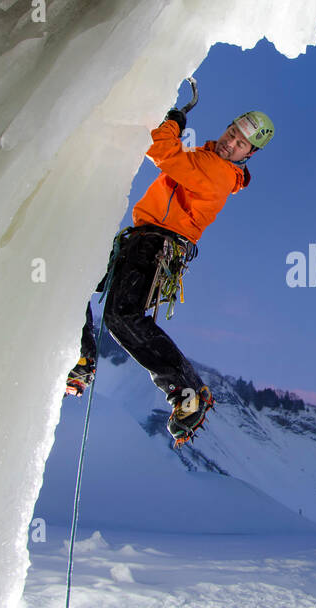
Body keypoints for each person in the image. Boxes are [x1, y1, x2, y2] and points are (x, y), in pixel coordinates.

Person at [66, 106, 276, 447]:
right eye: (232, 134)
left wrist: (173, 123)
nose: (230, 143)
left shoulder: (216, 171)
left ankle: (186, 390)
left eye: (240, 144)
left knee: (122, 315)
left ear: (249, 154)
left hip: (156, 244)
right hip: (144, 240)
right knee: (74, 281)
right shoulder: (204, 160)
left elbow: (161, 150)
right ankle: (81, 356)